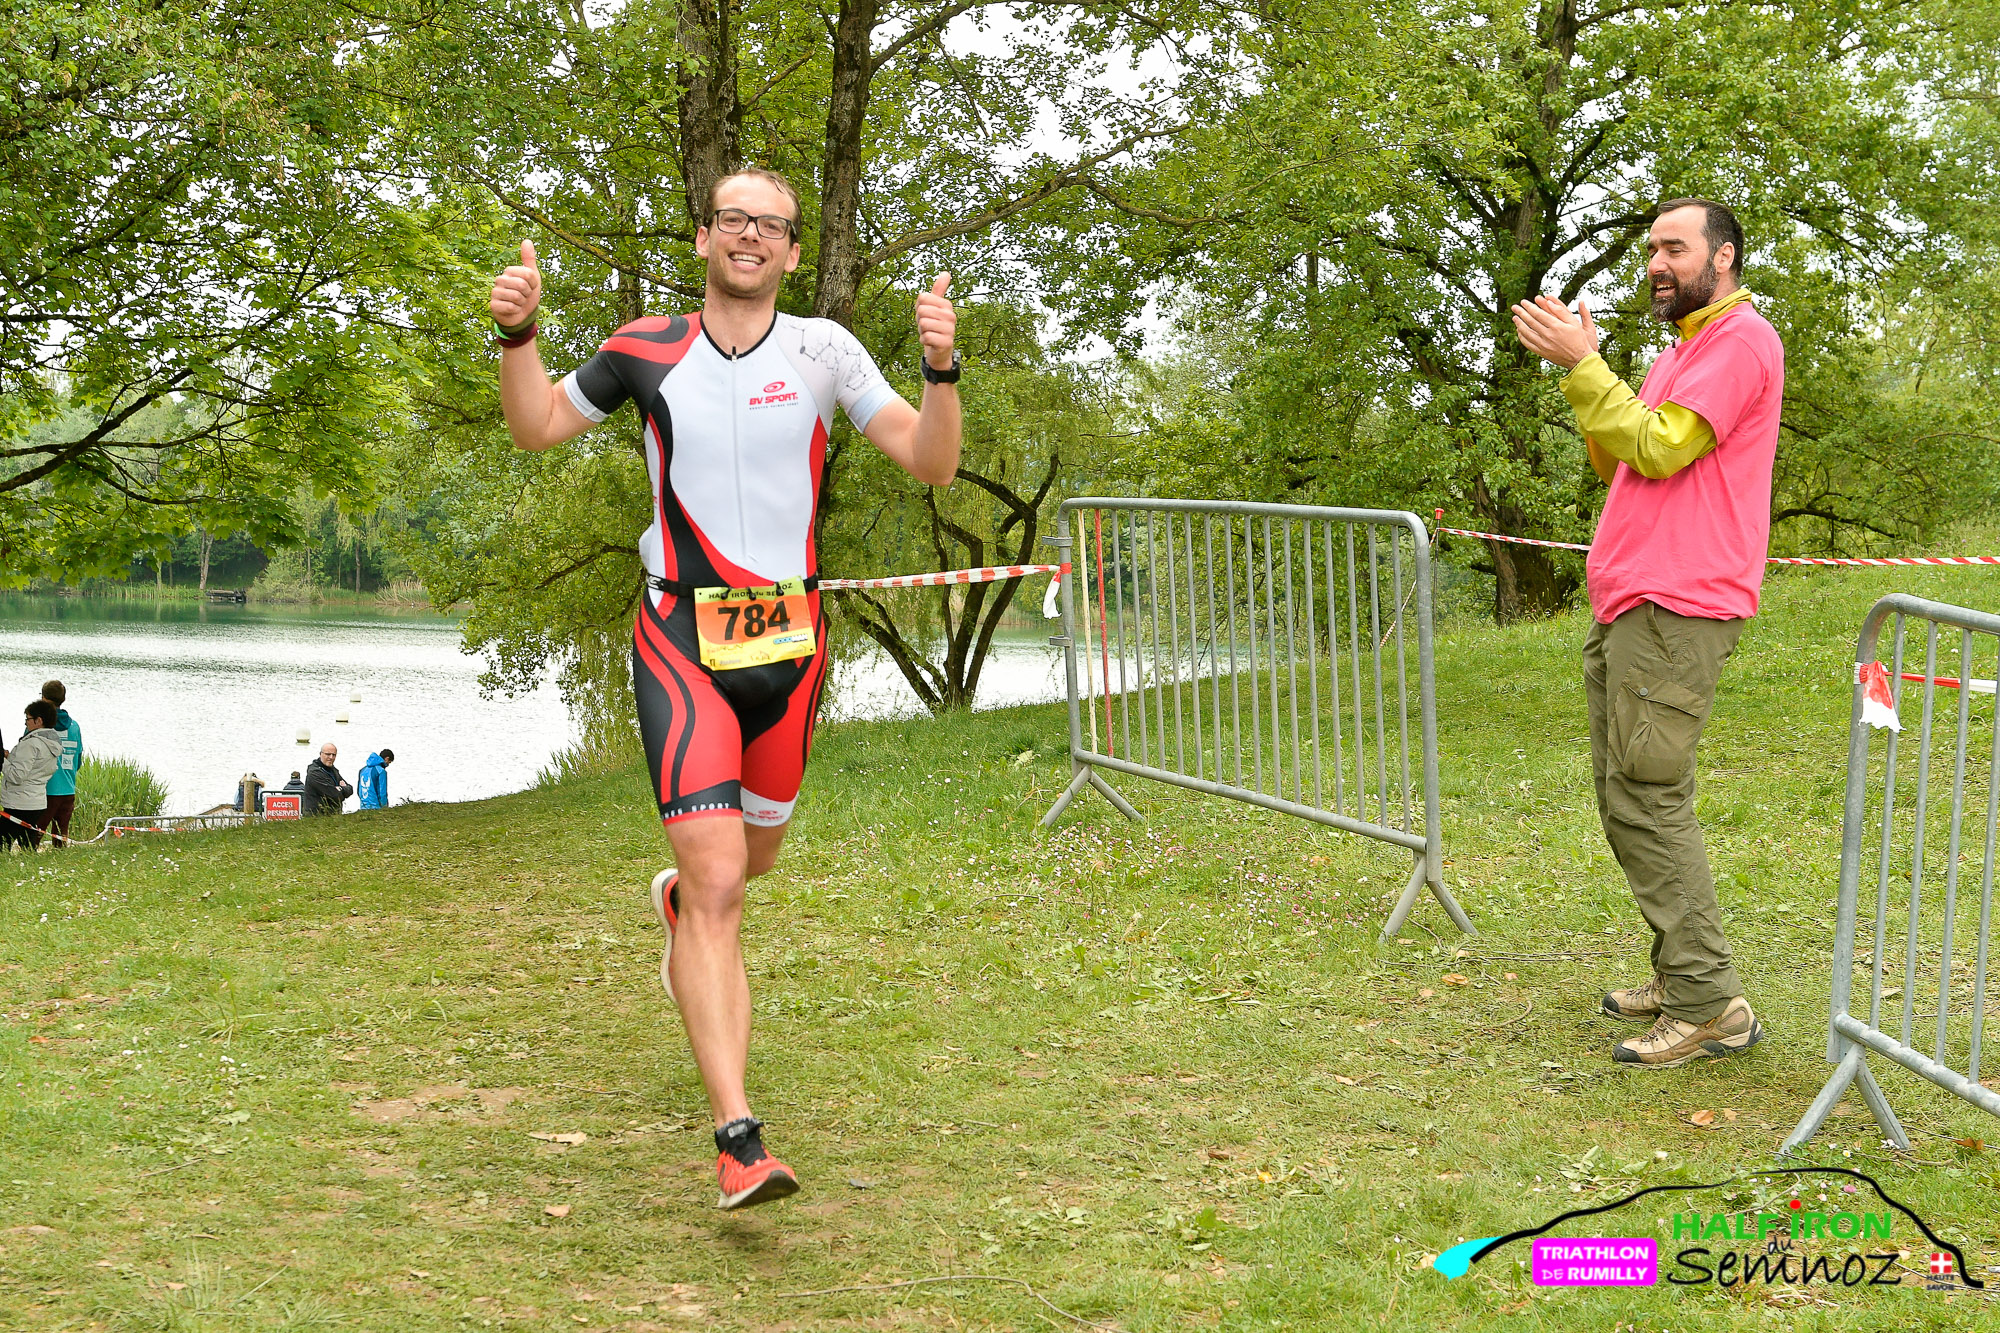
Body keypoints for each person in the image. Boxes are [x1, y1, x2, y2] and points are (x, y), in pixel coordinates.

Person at [488, 166, 962, 1208]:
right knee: (719, 886)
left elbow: (930, 463)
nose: (751, 235)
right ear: (704, 236)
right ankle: (738, 1139)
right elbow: (536, 428)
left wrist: (941, 369)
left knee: (751, 863)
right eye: (733, 218)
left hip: (790, 649)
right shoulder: (643, 347)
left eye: (772, 225)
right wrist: (518, 336)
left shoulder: (825, 351)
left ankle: (678, 905)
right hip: (680, 640)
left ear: (792, 250)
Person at [1511, 197, 1780, 1068]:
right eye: (1652, 249)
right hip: (1633, 600)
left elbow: (1660, 446)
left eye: (1676, 247)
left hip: (1678, 603)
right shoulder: (1680, 351)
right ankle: (1681, 970)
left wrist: (1587, 365)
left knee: (1649, 796)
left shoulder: (1740, 342)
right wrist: (1584, 371)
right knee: (1625, 794)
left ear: (1723, 257)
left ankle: (1709, 1004)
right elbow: (1617, 453)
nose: (1657, 263)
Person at [2, 700, 65, 849]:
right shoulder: (51, 744)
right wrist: (10, 758)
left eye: (28, 719)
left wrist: (2, 762)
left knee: (3, 843)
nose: (26, 723)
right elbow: (36, 768)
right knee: (27, 846)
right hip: (37, 803)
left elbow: (17, 776)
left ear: (39, 721)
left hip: (19, 803)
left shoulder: (30, 744)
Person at [40, 680, 81, 845]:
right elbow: (78, 760)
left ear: (44, 698)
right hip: (68, 789)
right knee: (60, 837)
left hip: (45, 789)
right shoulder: (74, 726)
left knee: (34, 835)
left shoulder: (38, 725)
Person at [302, 743, 352, 815]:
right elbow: (334, 795)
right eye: (328, 754)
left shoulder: (333, 770)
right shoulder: (314, 773)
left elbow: (350, 789)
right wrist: (341, 789)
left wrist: (340, 789)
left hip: (334, 816)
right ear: (320, 754)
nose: (331, 757)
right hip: (316, 816)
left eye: (334, 755)